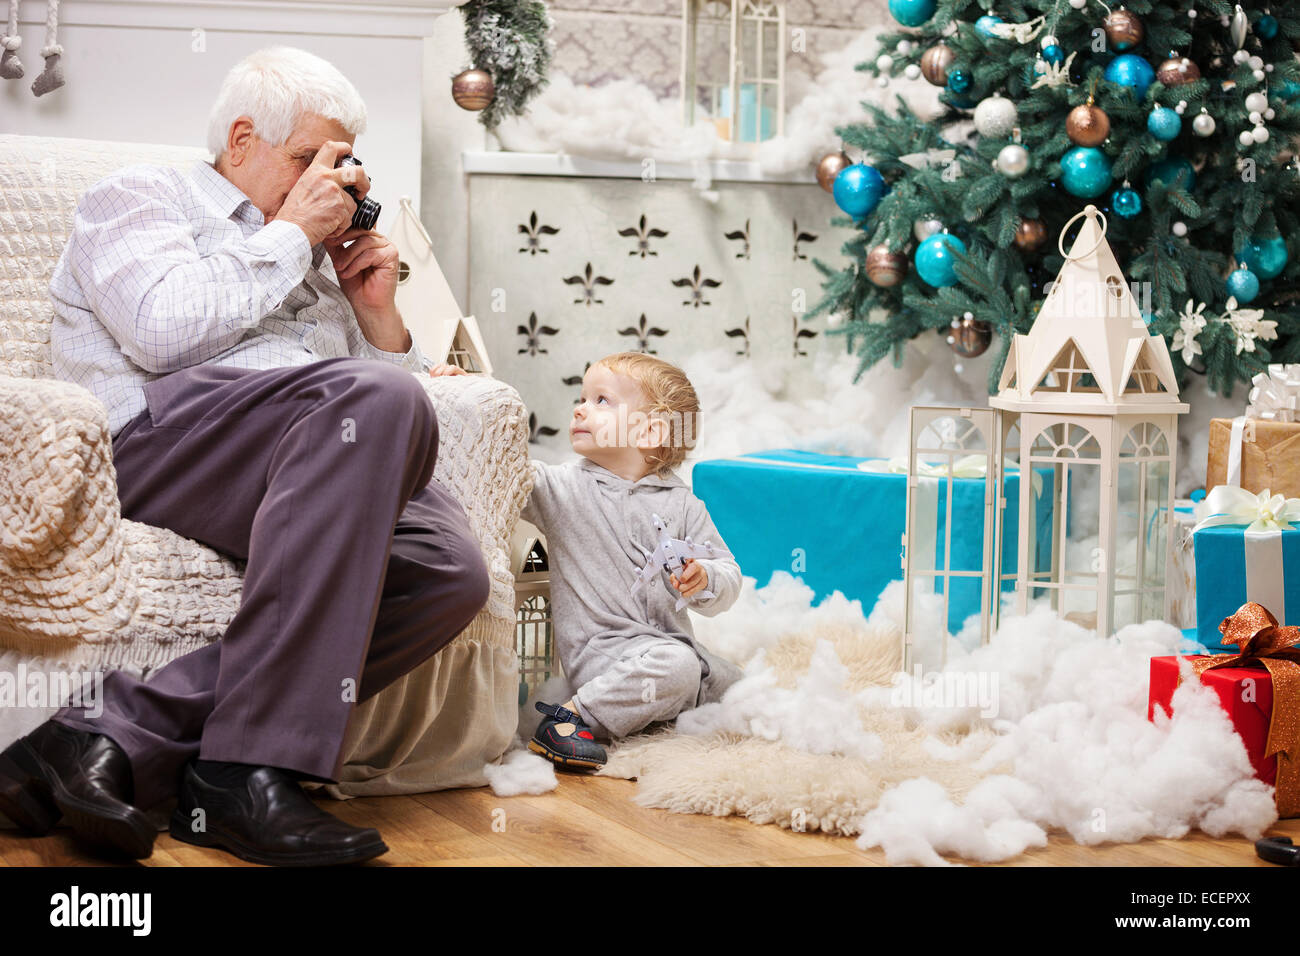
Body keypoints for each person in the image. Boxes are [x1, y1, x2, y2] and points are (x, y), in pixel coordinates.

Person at [0, 46, 491, 866]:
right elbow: (161, 332)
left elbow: (378, 427)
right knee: (373, 402)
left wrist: (376, 319)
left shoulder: (315, 255)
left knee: (449, 570)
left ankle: (108, 728)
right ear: (240, 141)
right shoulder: (140, 198)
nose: (324, 186)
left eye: (336, 166)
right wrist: (291, 235)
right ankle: (244, 770)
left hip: (302, 446)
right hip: (166, 438)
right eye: (307, 160)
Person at [514, 352, 744, 770]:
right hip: (606, 658)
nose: (580, 408)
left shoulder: (685, 505)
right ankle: (569, 719)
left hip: (671, 647)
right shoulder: (562, 488)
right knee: (679, 669)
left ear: (650, 431)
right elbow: (502, 468)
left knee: (737, 687)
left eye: (601, 400)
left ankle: (665, 707)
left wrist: (704, 578)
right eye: (581, 398)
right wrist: (471, 396)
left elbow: (729, 573)